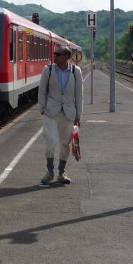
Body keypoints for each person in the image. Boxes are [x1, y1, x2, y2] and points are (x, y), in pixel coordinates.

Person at [37, 44, 83, 185]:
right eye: (55, 54)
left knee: (65, 144)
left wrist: (78, 116)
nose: (54, 56)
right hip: (51, 112)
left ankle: (61, 172)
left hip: (69, 113)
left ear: (67, 57)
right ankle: (50, 172)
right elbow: (42, 90)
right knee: (50, 142)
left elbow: (79, 95)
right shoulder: (48, 70)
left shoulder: (76, 71)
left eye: (58, 54)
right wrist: (42, 109)